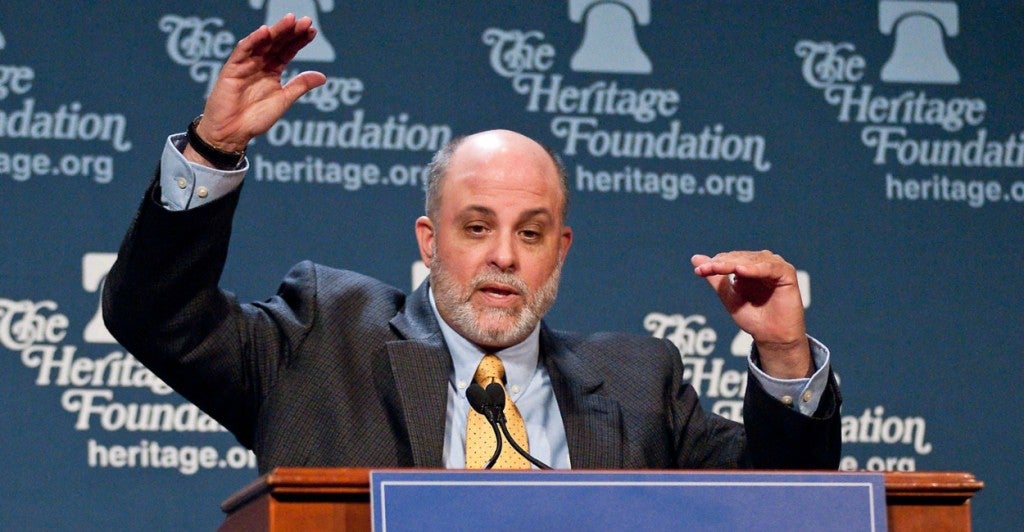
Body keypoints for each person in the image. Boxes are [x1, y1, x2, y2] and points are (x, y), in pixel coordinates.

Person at [103, 15, 840, 473]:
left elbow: (784, 504)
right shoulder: (323, 341)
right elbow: (155, 315)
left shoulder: (640, 384)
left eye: (531, 233)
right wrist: (214, 149)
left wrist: (784, 356)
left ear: (561, 250)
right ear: (429, 241)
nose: (505, 257)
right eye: (477, 227)